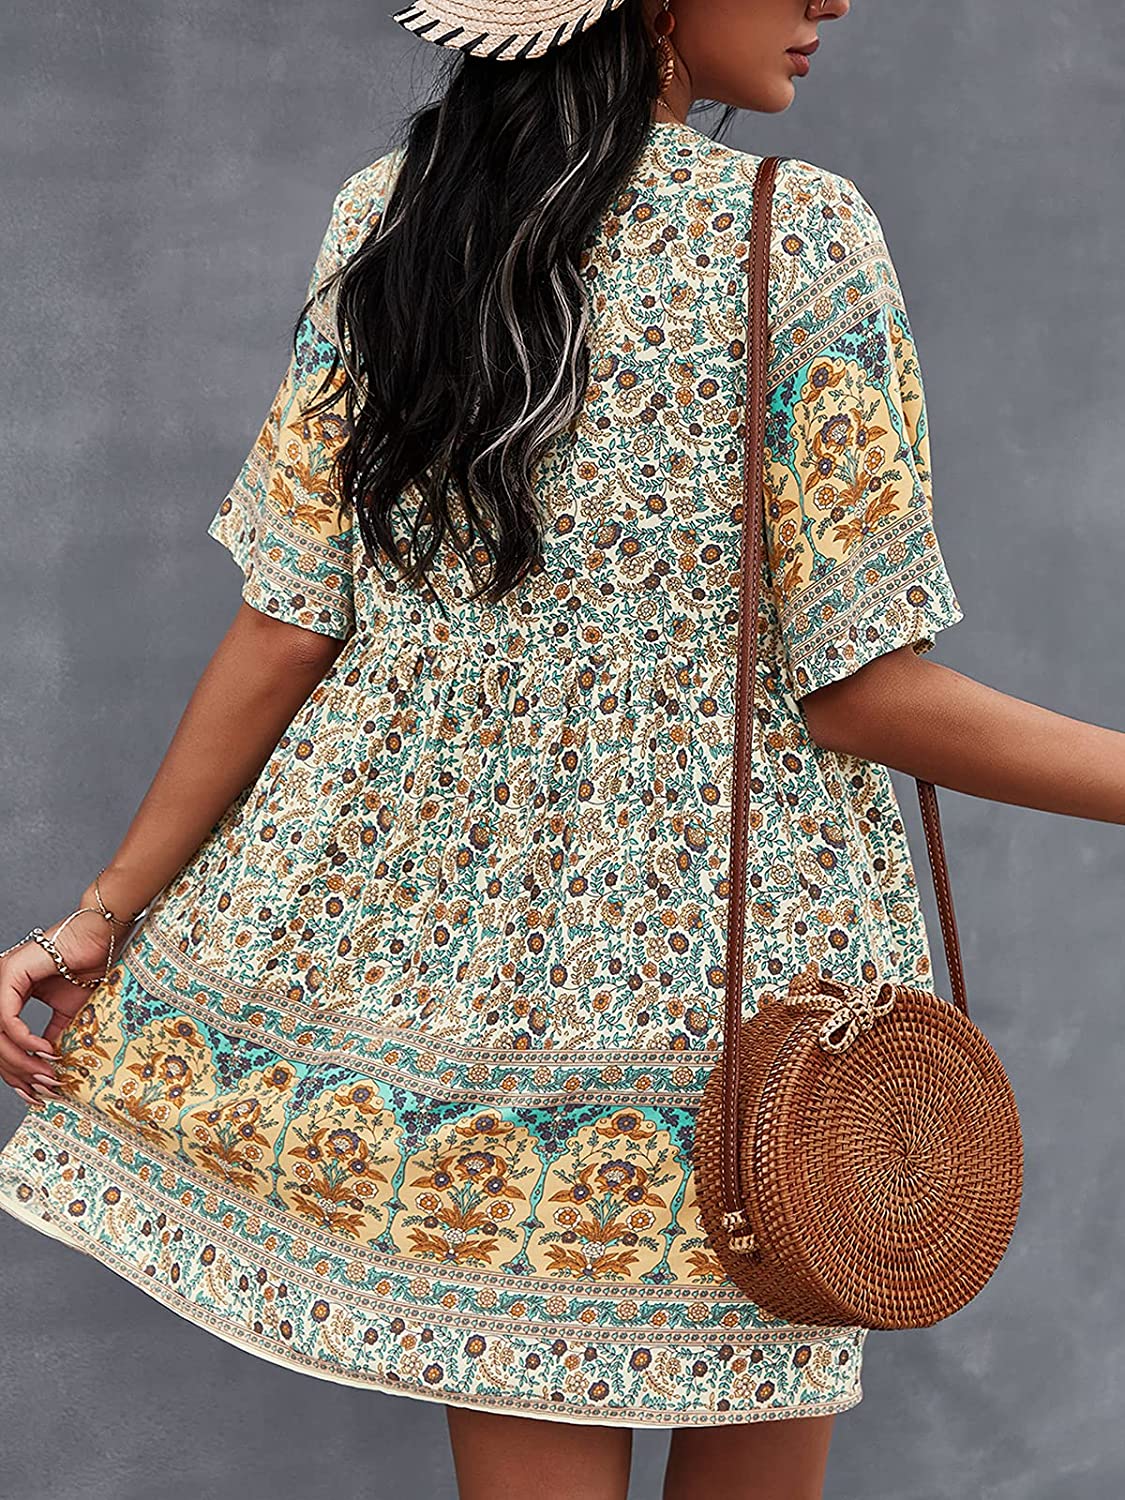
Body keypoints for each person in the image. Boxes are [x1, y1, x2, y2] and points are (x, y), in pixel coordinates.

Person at [1, 1, 1123, 1496]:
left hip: (478, 1014)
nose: (830, 0)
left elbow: (285, 625)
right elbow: (859, 692)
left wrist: (97, 915)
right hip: (755, 1015)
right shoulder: (793, 234)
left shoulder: (392, 219)